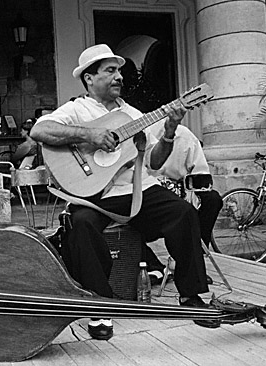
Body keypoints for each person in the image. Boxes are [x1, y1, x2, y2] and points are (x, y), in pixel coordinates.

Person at [30, 44, 214, 340]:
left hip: (136, 189)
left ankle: (191, 297)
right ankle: (100, 305)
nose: (119, 77)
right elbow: (40, 131)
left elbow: (154, 162)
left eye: (119, 71)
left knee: (184, 212)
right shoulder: (77, 109)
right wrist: (89, 134)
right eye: (110, 70)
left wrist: (169, 132)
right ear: (89, 78)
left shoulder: (133, 114)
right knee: (82, 224)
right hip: (92, 193)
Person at [144, 122, 223, 283]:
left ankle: (192, 261)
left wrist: (190, 191)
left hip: (181, 188)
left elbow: (201, 173)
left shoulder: (185, 135)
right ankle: (154, 267)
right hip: (149, 191)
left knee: (212, 199)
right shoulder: (142, 133)